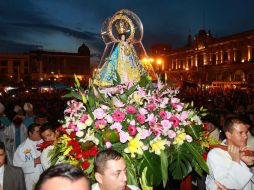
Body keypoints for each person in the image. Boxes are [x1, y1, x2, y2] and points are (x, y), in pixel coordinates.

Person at [93, 19, 148, 87]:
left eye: (124, 37)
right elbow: (116, 53)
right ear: (120, 37)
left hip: (127, 58)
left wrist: (130, 50)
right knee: (121, 71)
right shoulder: (119, 45)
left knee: (130, 70)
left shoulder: (127, 44)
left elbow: (130, 52)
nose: (123, 38)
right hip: (121, 59)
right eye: (122, 37)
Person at [206, 116, 254, 190]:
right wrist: (236, 162)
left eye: (246, 132)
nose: (245, 136)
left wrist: (249, 166)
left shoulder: (247, 150)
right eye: (240, 133)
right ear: (228, 135)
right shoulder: (215, 154)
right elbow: (224, 186)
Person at [13, 123, 43, 190]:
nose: (40, 133)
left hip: (44, 176)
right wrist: (34, 162)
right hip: (31, 178)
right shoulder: (22, 148)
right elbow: (17, 167)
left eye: (40, 131)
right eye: (37, 131)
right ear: (30, 133)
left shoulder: (44, 142)